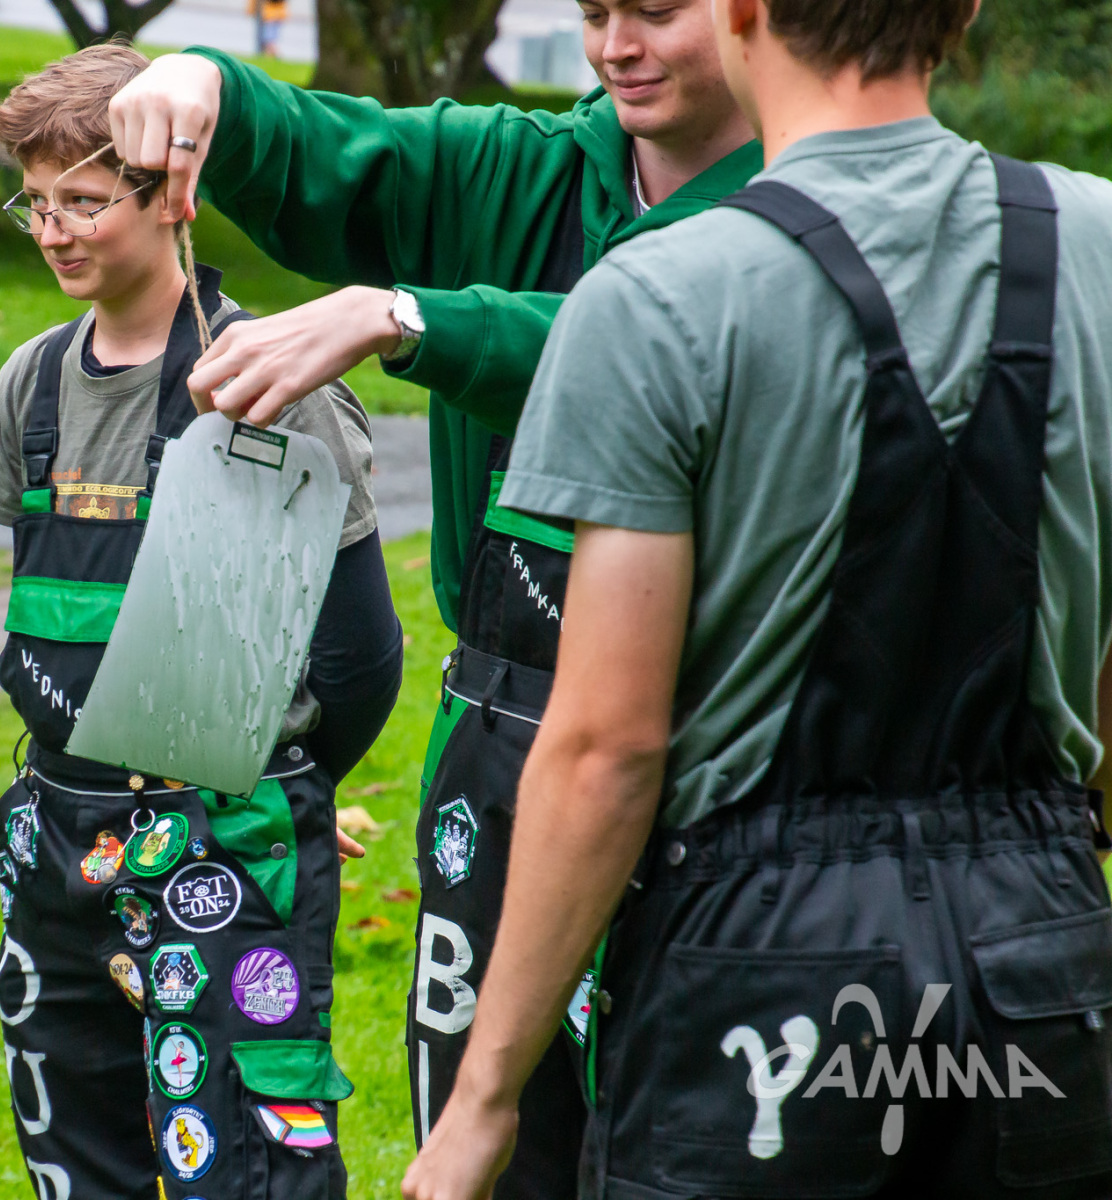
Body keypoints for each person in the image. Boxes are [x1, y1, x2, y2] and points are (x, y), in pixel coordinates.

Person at [403, 0, 1112, 1195]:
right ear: (966, 9)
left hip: (763, 980)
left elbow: (609, 748)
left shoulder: (657, 298)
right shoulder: (1097, 243)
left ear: (741, 12)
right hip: (1038, 956)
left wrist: (484, 1100)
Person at [107, 3, 759, 1193]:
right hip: (495, 741)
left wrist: (410, 318)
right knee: (489, 1129)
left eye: (657, 11)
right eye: (595, 12)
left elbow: (671, 348)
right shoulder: (519, 167)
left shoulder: (800, 217)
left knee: (683, 1136)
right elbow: (330, 154)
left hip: (715, 749)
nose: (617, 45)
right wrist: (204, 85)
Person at [0, 44, 403, 1200]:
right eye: (35, 202)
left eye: (83, 201)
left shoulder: (264, 383)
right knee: (76, 1153)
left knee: (248, 1159)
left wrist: (283, 791)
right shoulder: (30, 385)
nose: (53, 231)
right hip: (56, 838)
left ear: (172, 195)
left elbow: (359, 655)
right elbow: (44, 606)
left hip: (219, 845)